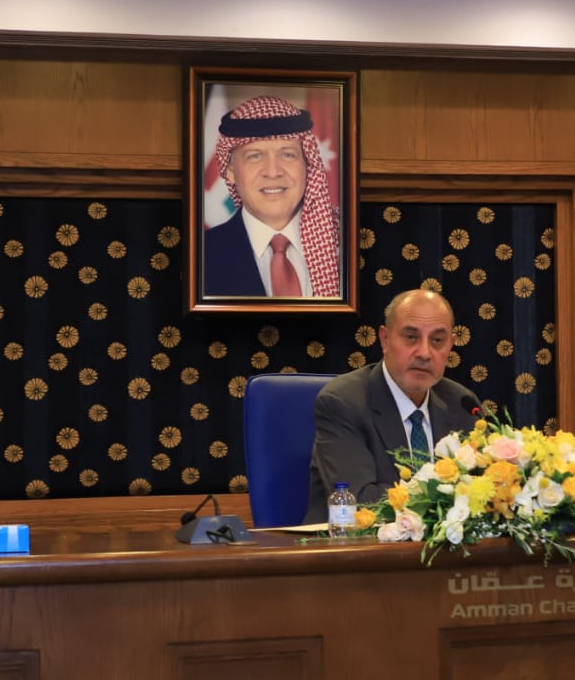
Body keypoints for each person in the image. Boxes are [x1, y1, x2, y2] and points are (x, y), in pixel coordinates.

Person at [304, 289, 480, 523]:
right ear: (385, 340)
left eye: (437, 340)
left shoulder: (461, 403)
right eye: (411, 337)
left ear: (451, 345)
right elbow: (361, 502)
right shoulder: (343, 402)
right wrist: (450, 497)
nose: (425, 353)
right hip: (352, 542)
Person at [203, 94, 341, 298]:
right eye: (255, 156)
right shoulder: (200, 255)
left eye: (287, 154)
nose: (273, 171)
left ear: (308, 164)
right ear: (230, 170)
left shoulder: (346, 244)